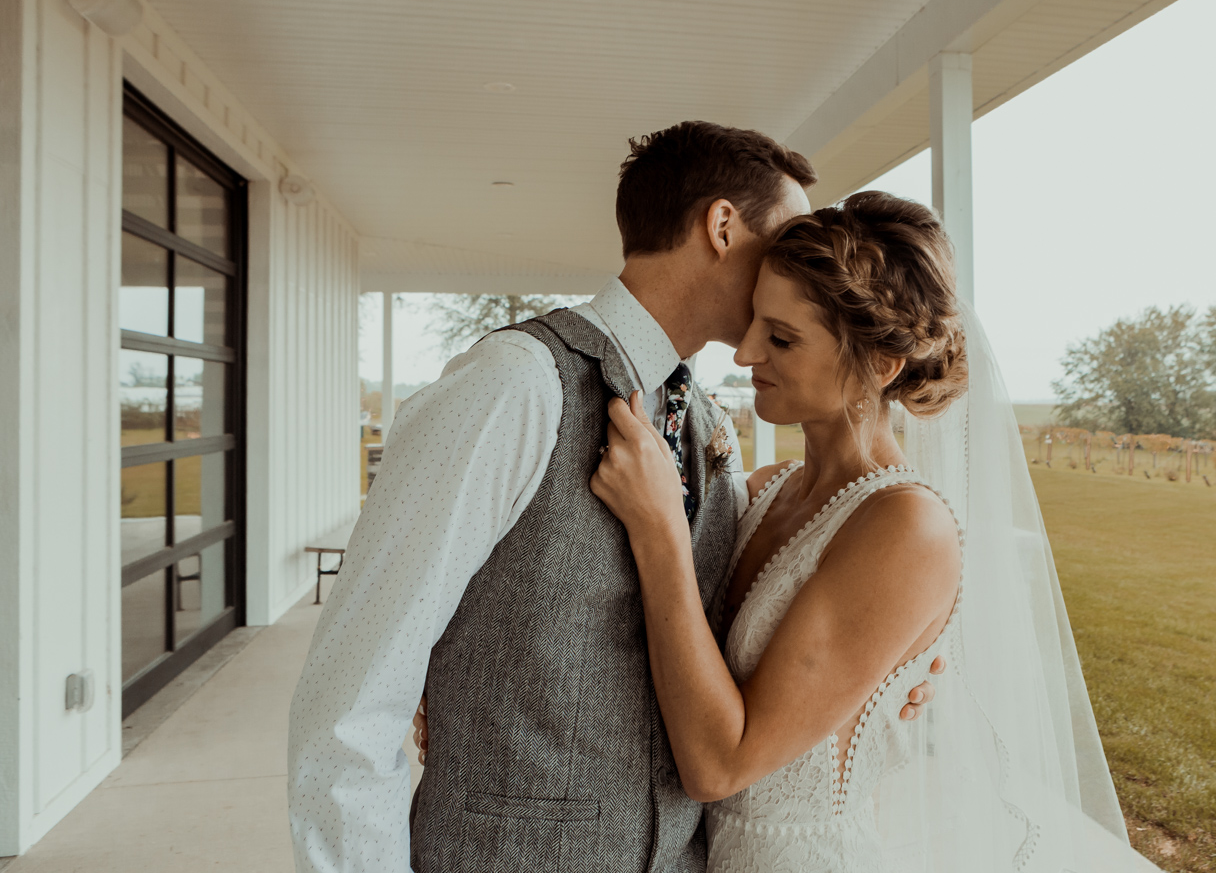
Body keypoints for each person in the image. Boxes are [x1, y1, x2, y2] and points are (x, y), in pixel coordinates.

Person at [285, 122, 941, 873]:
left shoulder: (707, 424)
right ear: (722, 226)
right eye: (789, 235)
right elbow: (349, 705)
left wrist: (888, 680)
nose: (804, 260)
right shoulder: (517, 385)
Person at [578, 193, 1163, 871]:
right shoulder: (765, 492)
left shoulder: (908, 527)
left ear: (880, 366)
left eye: (781, 337)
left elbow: (720, 765)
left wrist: (661, 536)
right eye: (753, 324)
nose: (743, 352)